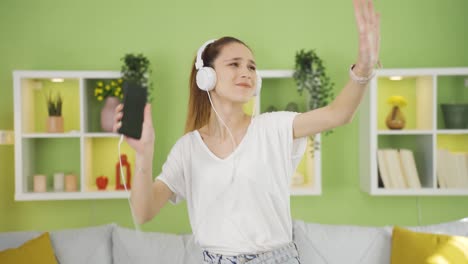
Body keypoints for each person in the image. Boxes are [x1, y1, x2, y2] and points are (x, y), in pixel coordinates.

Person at [113, 0, 380, 263]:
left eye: (251, 66)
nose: (246, 72)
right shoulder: (188, 149)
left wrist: (364, 69)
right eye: (234, 64)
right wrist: (144, 154)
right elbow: (142, 211)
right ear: (207, 76)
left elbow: (338, 114)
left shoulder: (274, 127)